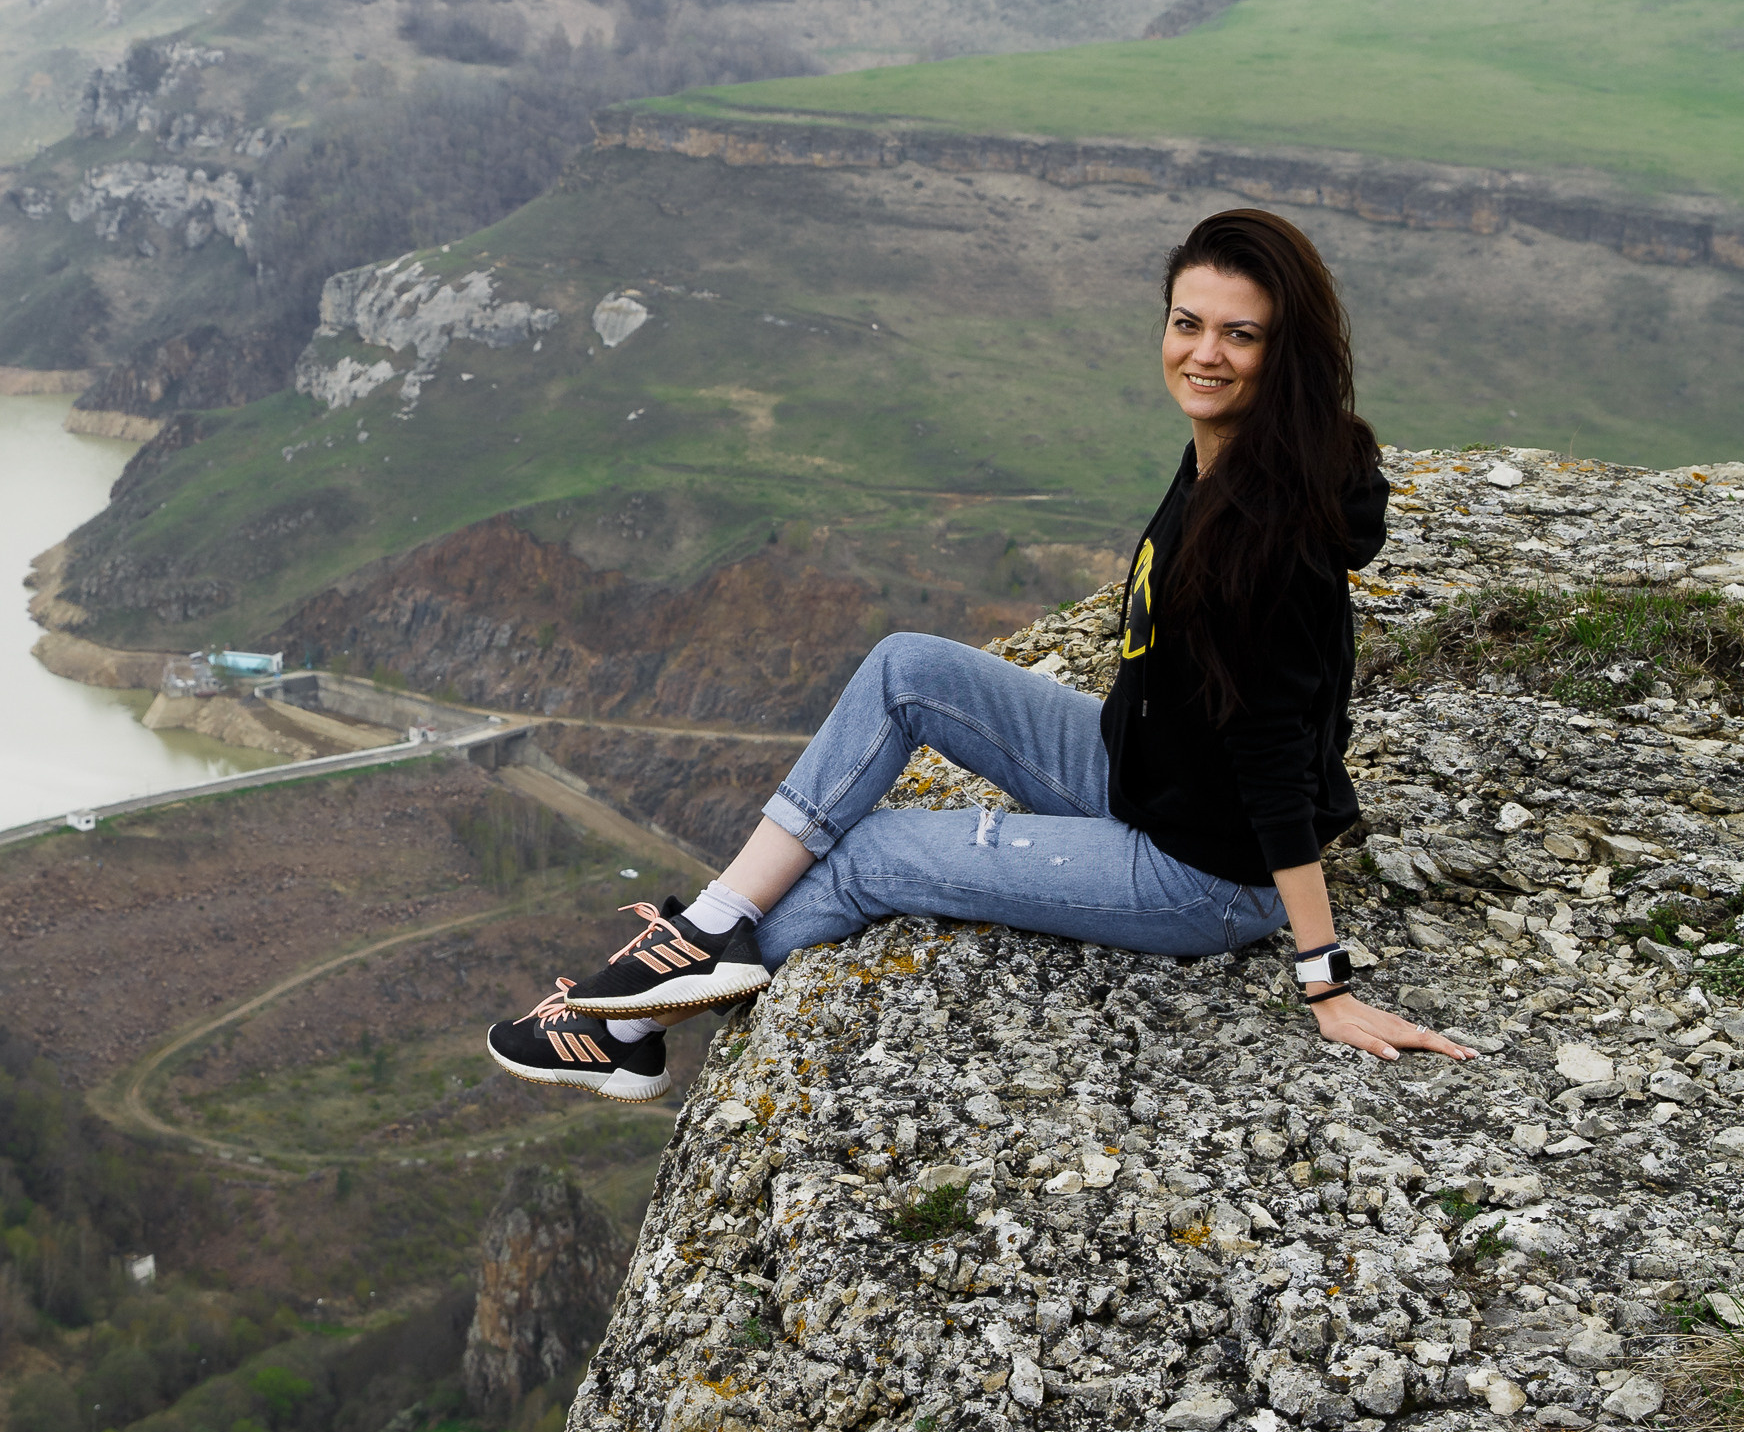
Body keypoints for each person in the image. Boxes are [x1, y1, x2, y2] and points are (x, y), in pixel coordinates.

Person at [485, 204, 1471, 1099]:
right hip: (1149, 774)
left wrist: (1323, 981)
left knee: (869, 856)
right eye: (1186, 323)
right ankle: (705, 929)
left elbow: (1271, 761)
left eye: (1239, 334)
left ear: (1282, 351)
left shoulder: (1266, 534)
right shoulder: (1236, 448)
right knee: (907, 665)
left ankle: (621, 1022)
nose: (1203, 354)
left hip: (1204, 875)